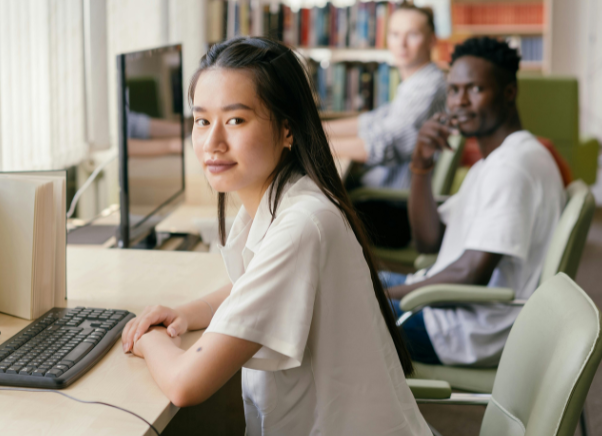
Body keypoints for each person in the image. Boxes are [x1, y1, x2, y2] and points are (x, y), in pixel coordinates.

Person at [121, 37, 431, 436]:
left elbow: (185, 384)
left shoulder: (301, 225)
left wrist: (146, 337)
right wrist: (188, 312)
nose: (213, 143)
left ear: (288, 129)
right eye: (202, 121)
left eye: (235, 120)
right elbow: (254, 287)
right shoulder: (284, 200)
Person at [385, 37, 566, 367]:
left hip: (469, 328)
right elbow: (429, 241)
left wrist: (383, 298)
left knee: (331, 308)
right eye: (453, 90)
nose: (459, 102)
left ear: (509, 92)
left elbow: (472, 273)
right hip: (454, 309)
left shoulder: (511, 166)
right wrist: (421, 166)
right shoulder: (493, 161)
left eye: (475, 89)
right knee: (338, 283)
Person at [324, 4, 446, 248]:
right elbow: (373, 122)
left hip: (396, 210)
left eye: (412, 34)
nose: (401, 44)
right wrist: (316, 129)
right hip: (384, 199)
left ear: (432, 40)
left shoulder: (428, 87)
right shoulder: (415, 83)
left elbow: (384, 143)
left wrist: (312, 142)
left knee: (311, 218)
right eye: (395, 34)